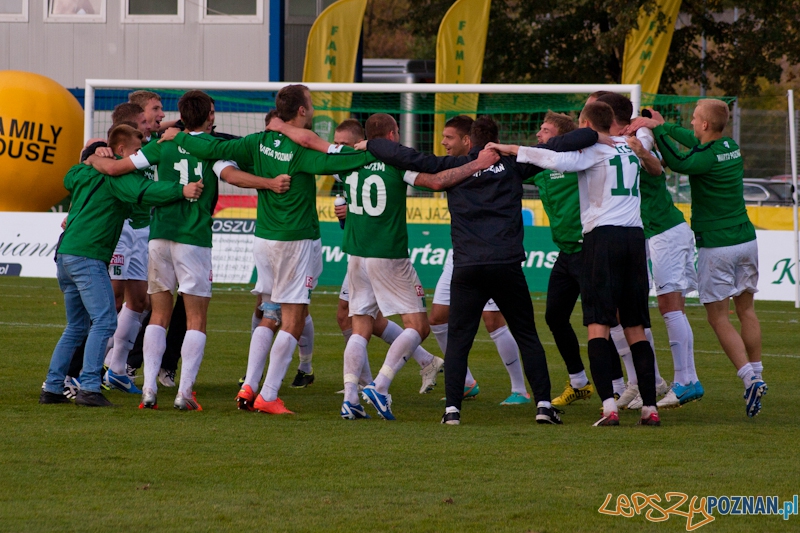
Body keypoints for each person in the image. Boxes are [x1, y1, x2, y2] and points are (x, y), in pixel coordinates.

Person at [361, 116, 602, 425]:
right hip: (506, 265)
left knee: (460, 340)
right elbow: (559, 144)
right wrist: (595, 133)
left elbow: (407, 156)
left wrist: (371, 143)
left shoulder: (454, 168)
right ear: (496, 140)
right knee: (527, 335)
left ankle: (452, 411)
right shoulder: (515, 165)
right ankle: (543, 405)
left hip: (468, 267)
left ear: (470, 141)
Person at [162, 84, 377, 414]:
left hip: (263, 240)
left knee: (269, 313)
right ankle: (270, 394)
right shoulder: (301, 150)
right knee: (294, 318)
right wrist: (379, 151)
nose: (314, 108)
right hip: (296, 241)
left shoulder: (256, 142)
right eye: (311, 104)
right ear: (302, 111)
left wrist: (178, 137)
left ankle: (250, 383)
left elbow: (213, 150)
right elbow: (343, 162)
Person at [88, 91, 286, 411]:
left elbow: (122, 167)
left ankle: (149, 390)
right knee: (196, 319)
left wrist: (94, 157)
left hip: (159, 236)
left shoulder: (161, 145)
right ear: (209, 115)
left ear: (180, 115)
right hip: (193, 239)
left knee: (159, 315)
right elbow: (232, 176)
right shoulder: (211, 149)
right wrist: (268, 182)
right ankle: (184, 393)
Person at [489, 101, 661, 427]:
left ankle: (609, 406)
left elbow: (547, 156)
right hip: (635, 241)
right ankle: (649, 408)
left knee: (598, 325)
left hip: (602, 240)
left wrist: (506, 147)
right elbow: (649, 146)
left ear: (584, 124)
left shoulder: (591, 152)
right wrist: (646, 125)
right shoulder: (634, 144)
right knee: (637, 328)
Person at [40, 125, 203, 407]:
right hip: (87, 256)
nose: (139, 157)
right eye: (136, 151)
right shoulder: (118, 179)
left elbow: (69, 176)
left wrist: (91, 159)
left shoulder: (84, 171)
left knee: (77, 325)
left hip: (65, 255)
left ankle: (53, 386)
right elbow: (147, 191)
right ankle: (89, 386)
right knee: (104, 320)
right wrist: (183, 189)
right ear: (121, 151)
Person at [627, 99, 766, 417]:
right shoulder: (729, 144)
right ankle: (757, 373)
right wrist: (661, 124)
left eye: (693, 119)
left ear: (705, 124)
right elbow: (693, 141)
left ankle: (748, 378)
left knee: (718, 316)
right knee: (747, 310)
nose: (690, 123)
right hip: (747, 239)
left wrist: (658, 132)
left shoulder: (704, 159)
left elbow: (676, 161)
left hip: (717, 244)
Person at [596, 95, 702, 410]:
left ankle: (687, 381)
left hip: (664, 230)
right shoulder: (610, 142)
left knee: (670, 306)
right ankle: (648, 381)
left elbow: (657, 169)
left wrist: (641, 147)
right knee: (623, 309)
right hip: (641, 234)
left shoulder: (639, 136)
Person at [429, 115, 530, 405]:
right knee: (437, 318)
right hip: (461, 252)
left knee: (493, 319)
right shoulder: (455, 168)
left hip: (491, 254)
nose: (443, 142)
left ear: (467, 140)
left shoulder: (497, 167)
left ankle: (519, 389)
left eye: (449, 137)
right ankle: (465, 382)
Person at [524, 112, 595, 407]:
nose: (539, 135)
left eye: (545, 130)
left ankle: (627, 385)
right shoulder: (540, 166)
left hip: (589, 250)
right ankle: (578, 381)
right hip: (566, 253)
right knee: (554, 315)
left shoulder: (580, 161)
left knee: (606, 321)